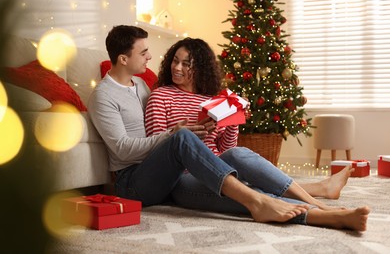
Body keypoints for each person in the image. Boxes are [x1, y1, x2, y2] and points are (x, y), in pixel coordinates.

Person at [88, 25, 369, 231]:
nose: (157, 60)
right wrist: (177, 133)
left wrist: (230, 119)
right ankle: (308, 211)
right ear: (124, 59)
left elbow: (226, 150)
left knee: (237, 155)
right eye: (173, 60)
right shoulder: (141, 95)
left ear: (201, 68)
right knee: (191, 142)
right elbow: (135, 147)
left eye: (185, 63)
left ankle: (318, 201)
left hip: (210, 168)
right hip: (150, 179)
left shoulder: (140, 85)